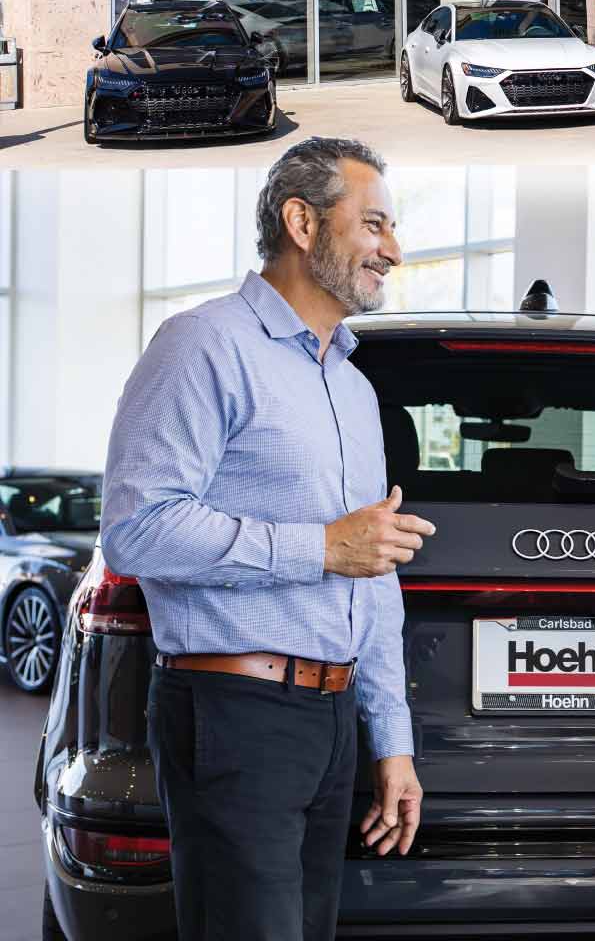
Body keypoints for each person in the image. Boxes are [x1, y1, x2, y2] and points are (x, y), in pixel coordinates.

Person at [100, 136, 435, 941]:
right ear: (302, 222)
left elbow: (372, 566)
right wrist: (319, 547)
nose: (393, 249)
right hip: (234, 709)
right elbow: (135, 531)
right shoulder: (202, 345)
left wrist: (392, 742)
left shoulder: (353, 389)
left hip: (332, 720)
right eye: (375, 224)